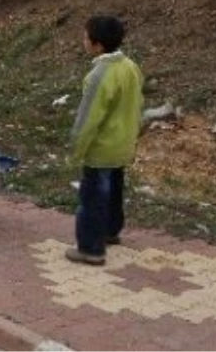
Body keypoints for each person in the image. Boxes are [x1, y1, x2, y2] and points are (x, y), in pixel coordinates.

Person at [66, 16, 144, 266]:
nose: (83, 41)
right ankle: (111, 231)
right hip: (123, 144)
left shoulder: (99, 75)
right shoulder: (130, 67)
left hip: (101, 148)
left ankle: (91, 248)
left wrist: (76, 149)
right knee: (113, 193)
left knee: (93, 198)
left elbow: (88, 118)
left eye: (85, 37)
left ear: (97, 45)